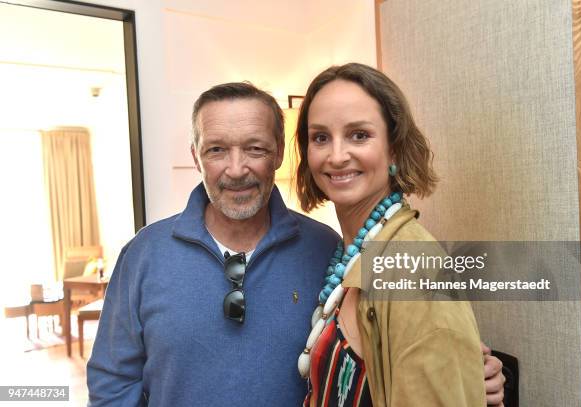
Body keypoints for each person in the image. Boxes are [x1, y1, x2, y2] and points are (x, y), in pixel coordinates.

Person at [87, 81, 504, 406]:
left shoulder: (328, 250)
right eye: (217, 150)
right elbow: (112, 381)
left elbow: (391, 349)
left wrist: (469, 370)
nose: (237, 169)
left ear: (280, 155)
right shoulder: (144, 254)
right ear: (196, 156)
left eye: (255, 148)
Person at [294, 63, 494, 406]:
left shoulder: (414, 267)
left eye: (359, 135)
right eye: (320, 137)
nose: (337, 155)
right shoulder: (347, 253)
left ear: (395, 148)